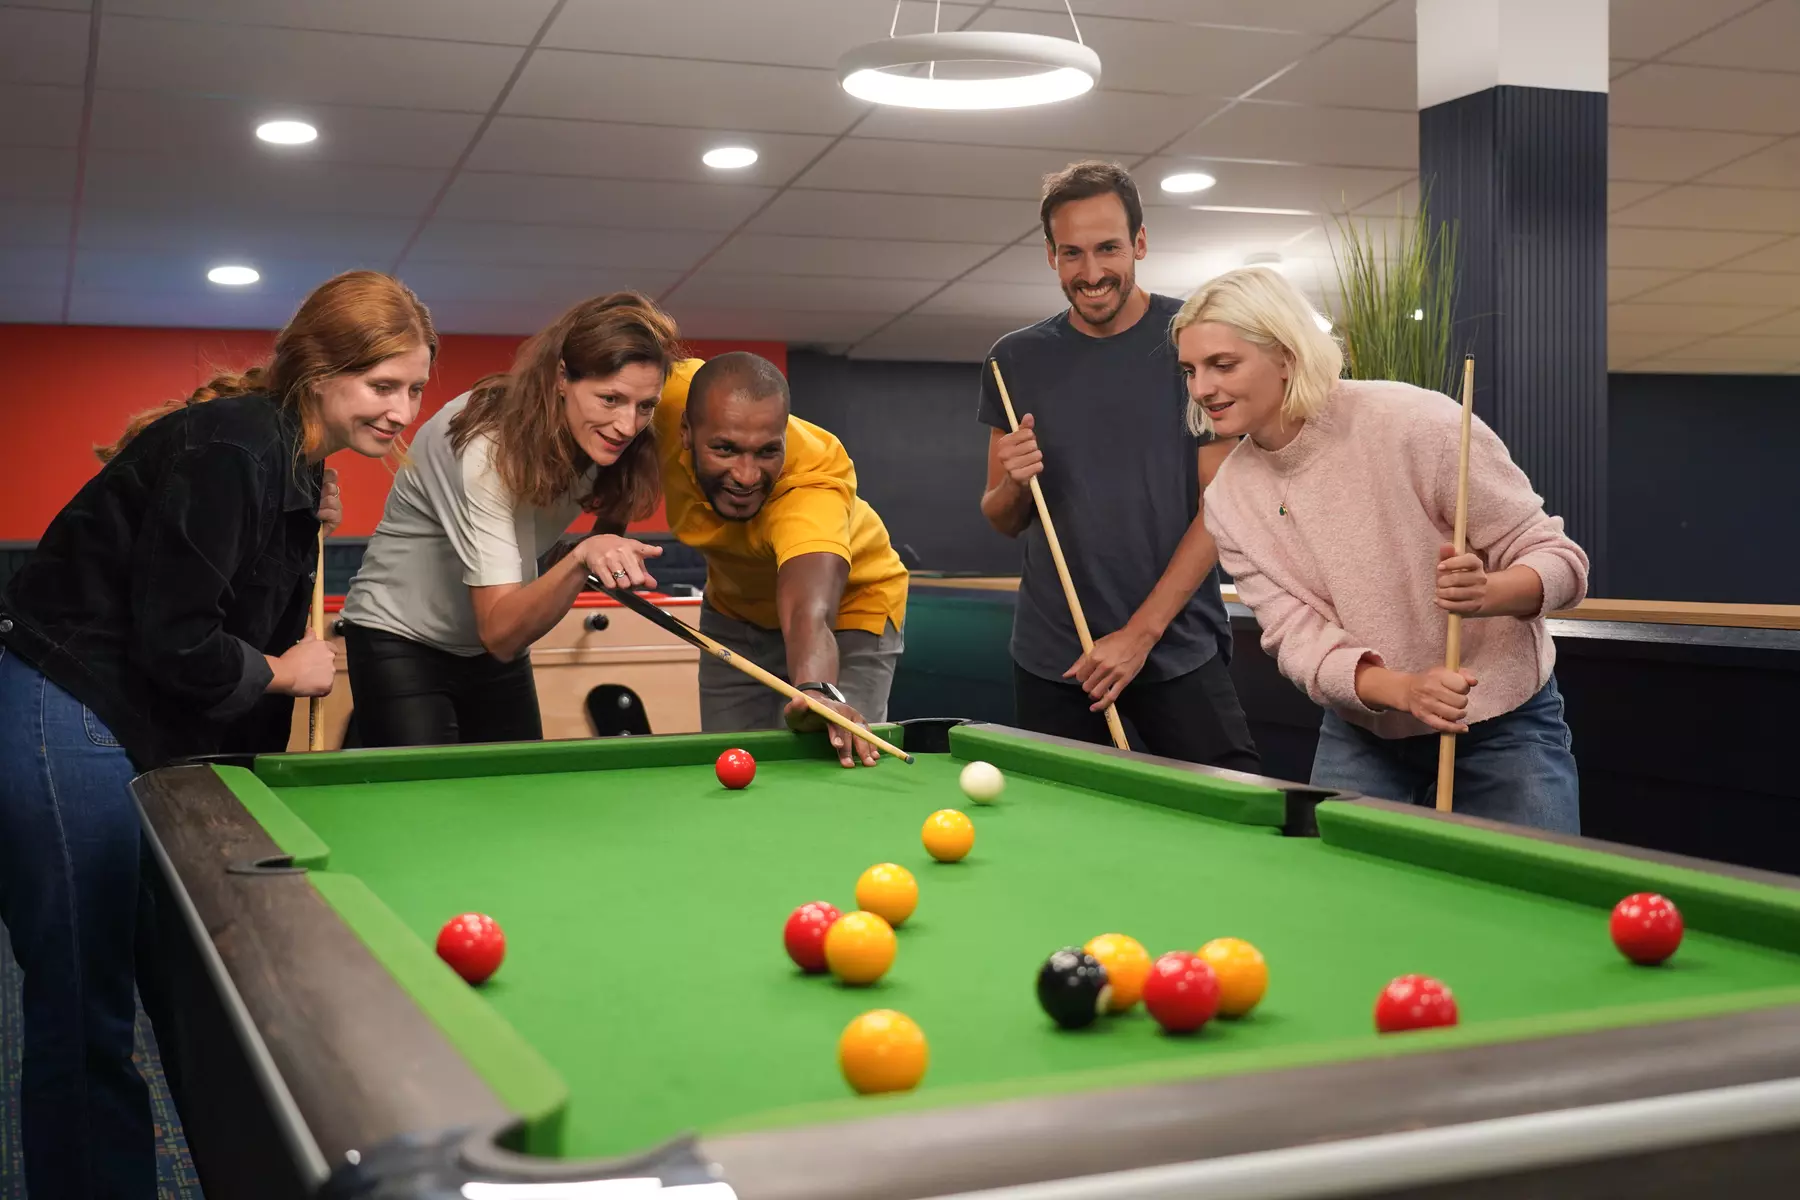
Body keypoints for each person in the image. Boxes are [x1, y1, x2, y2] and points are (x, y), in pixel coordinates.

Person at [0, 269, 435, 1198]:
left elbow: (239, 640)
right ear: (319, 373)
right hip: (64, 699)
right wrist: (287, 671)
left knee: (169, 979)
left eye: (416, 390)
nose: (404, 410)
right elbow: (182, 641)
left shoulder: (294, 470)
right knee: (83, 996)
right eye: (384, 386)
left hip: (138, 719)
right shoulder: (234, 447)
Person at [1174, 266, 1588, 831]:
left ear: (1287, 356)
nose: (1202, 388)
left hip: (1503, 726)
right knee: (1338, 914)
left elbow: (1560, 560)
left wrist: (1489, 592)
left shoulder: (1418, 423)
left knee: (1536, 909)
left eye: (1223, 364)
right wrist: (1406, 690)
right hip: (1362, 731)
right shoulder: (1228, 500)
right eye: (1191, 370)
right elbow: (1298, 640)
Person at [978, 160, 1258, 771]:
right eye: (1072, 253)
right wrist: (1017, 483)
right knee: (1065, 834)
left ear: (1140, 242)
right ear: (1051, 256)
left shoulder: (1194, 344)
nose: (1092, 272)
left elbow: (1222, 509)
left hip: (1176, 645)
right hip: (1056, 656)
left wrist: (1139, 636)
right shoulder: (1015, 359)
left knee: (1234, 821)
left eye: (1108, 248)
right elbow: (1000, 514)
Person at [339, 292, 678, 747]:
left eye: (645, 406)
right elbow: (500, 630)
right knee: (425, 809)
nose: (627, 424)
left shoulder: (610, 440)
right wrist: (580, 559)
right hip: (400, 638)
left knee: (519, 796)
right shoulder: (482, 441)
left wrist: (584, 554)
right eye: (610, 398)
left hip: (492, 648)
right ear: (562, 378)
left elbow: (570, 538)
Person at [656, 351, 908, 768]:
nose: (747, 475)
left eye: (766, 452)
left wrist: (817, 690)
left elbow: (810, 614)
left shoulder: (811, 488)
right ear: (685, 429)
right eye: (725, 449)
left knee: (829, 757)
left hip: (848, 611)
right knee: (729, 761)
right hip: (734, 611)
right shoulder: (667, 396)